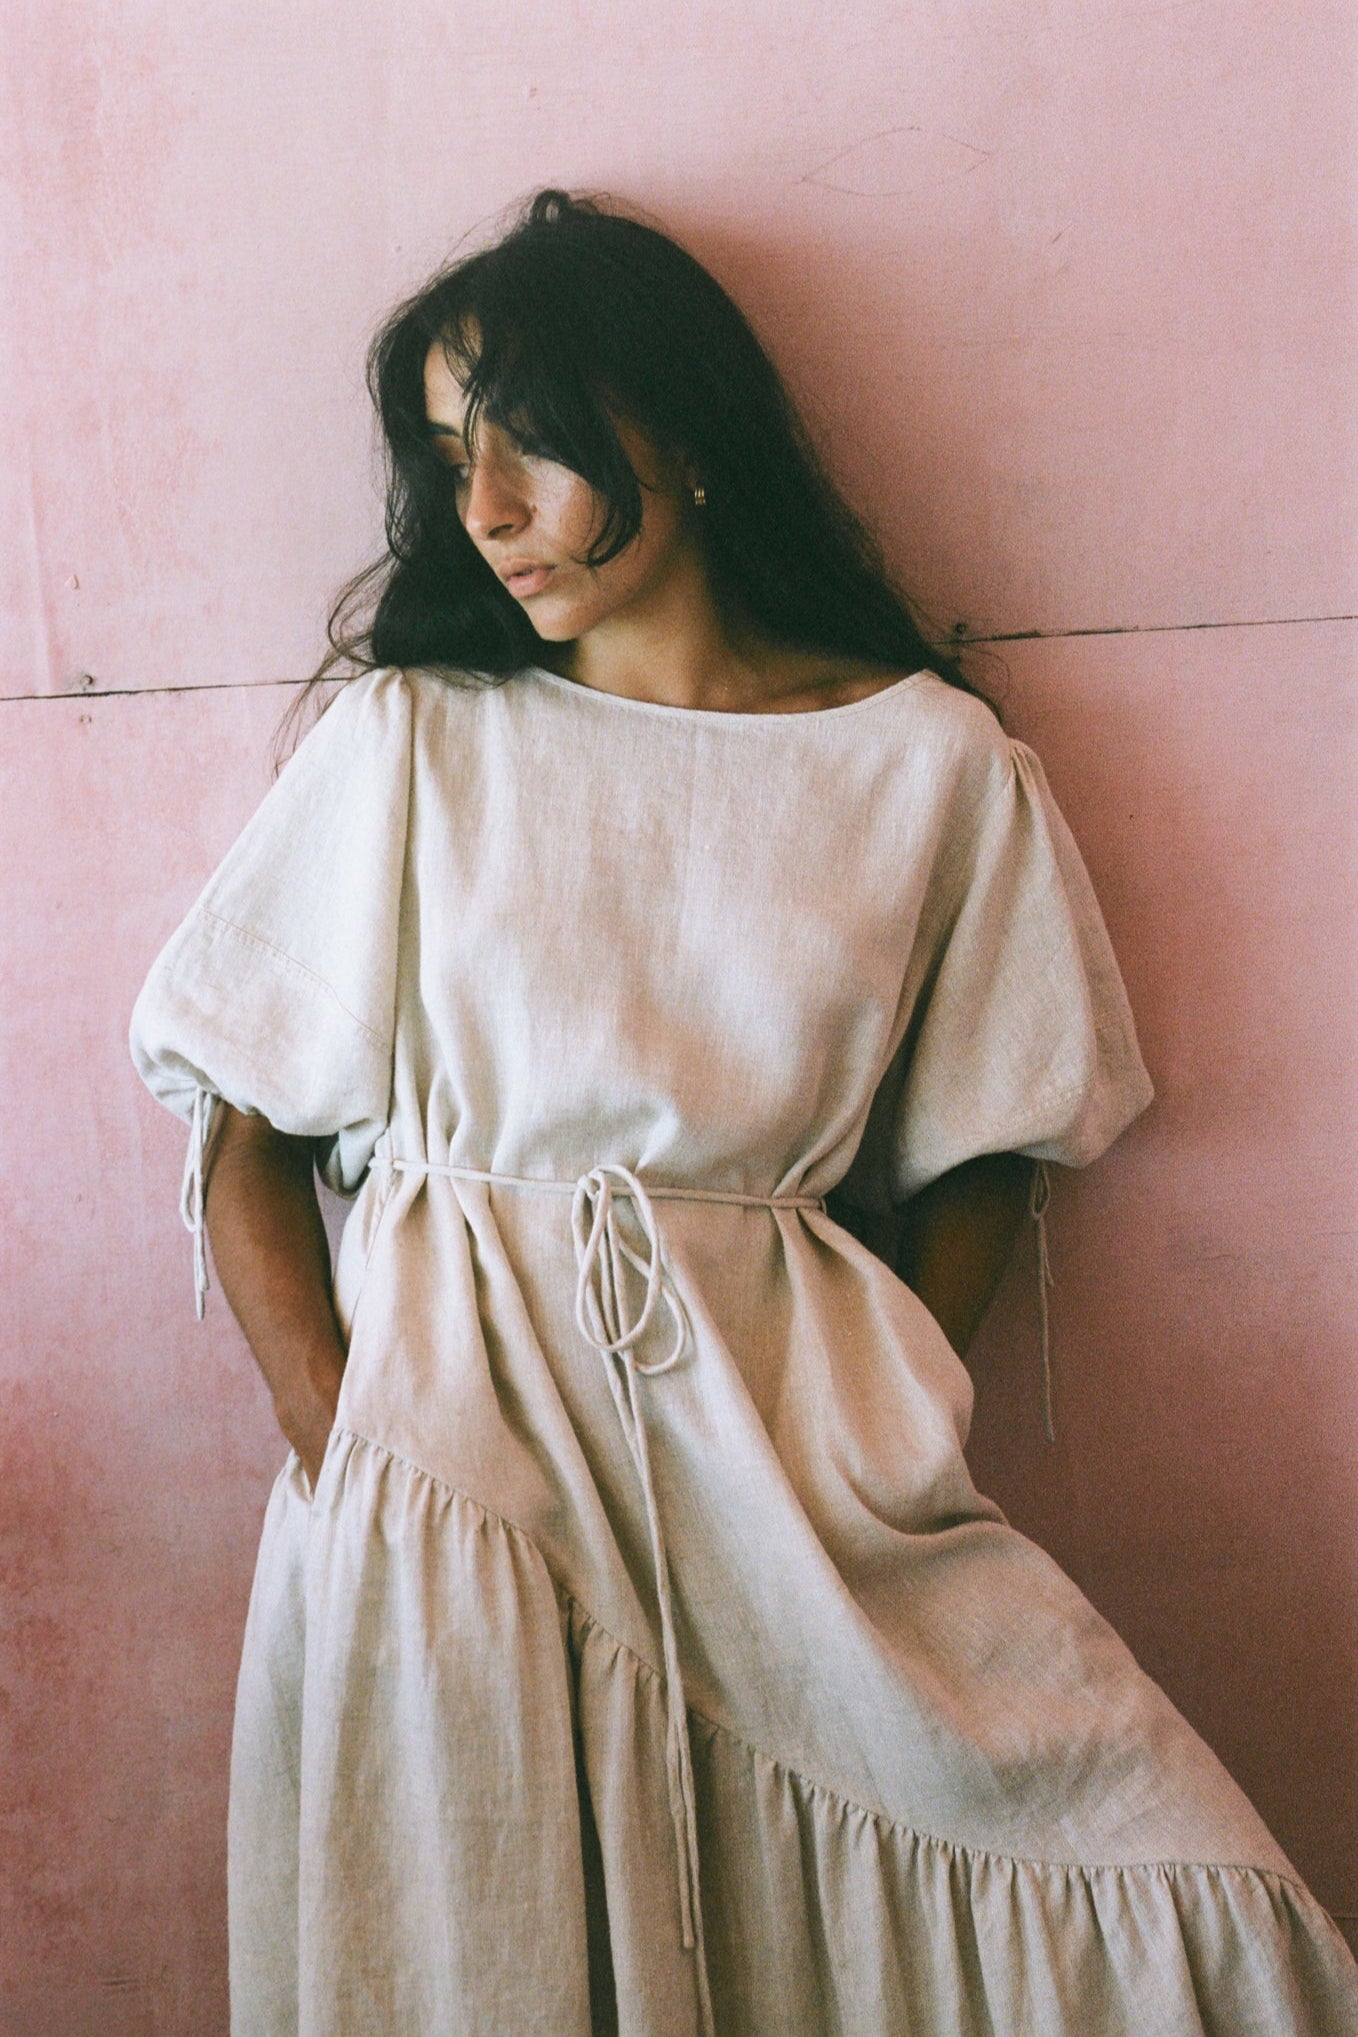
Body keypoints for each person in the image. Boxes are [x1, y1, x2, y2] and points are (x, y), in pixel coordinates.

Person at [130, 189, 1357, 2035]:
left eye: (528, 433)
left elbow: (994, 1137)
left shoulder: (927, 764)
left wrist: (889, 1405)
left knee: (1154, 1875)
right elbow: (242, 1126)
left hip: (796, 1470)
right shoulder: (419, 743)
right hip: (457, 1468)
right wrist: (347, 1445)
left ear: (682, 431)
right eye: (448, 451)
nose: (485, 508)